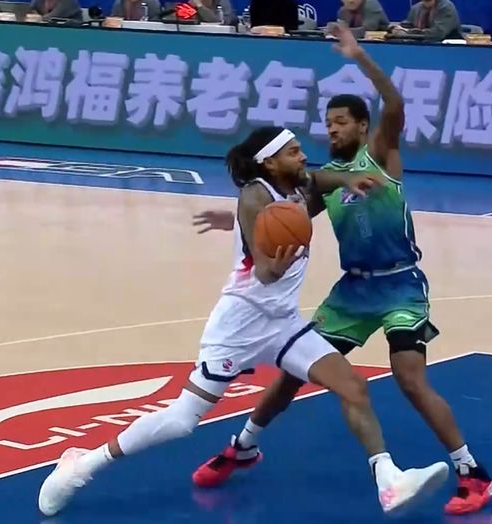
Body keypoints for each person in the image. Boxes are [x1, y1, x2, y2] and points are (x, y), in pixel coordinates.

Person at [37, 125, 449, 517]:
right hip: (240, 325)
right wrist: (275, 264)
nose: (302, 156)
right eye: (293, 152)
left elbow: (321, 179)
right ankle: (82, 464)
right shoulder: (254, 196)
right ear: (269, 162)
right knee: (181, 421)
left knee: (353, 386)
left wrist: (346, 179)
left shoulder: (298, 182)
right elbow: (264, 272)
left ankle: (389, 480)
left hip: (283, 323)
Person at [191, 23, 492, 516]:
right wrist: (236, 220)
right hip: (353, 291)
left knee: (409, 378)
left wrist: (358, 56)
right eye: (328, 123)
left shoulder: (381, 156)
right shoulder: (324, 182)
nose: (331, 130)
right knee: (292, 371)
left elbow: (394, 103)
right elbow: (281, 218)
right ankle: (243, 446)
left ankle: (472, 472)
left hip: (400, 285)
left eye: (340, 122)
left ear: (361, 126)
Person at [390, 0, 462, 41]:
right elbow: (407, 25)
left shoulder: (446, 7)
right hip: (420, 46)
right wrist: (396, 29)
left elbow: (437, 34)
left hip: (445, 48)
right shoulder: (416, 8)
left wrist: (408, 32)